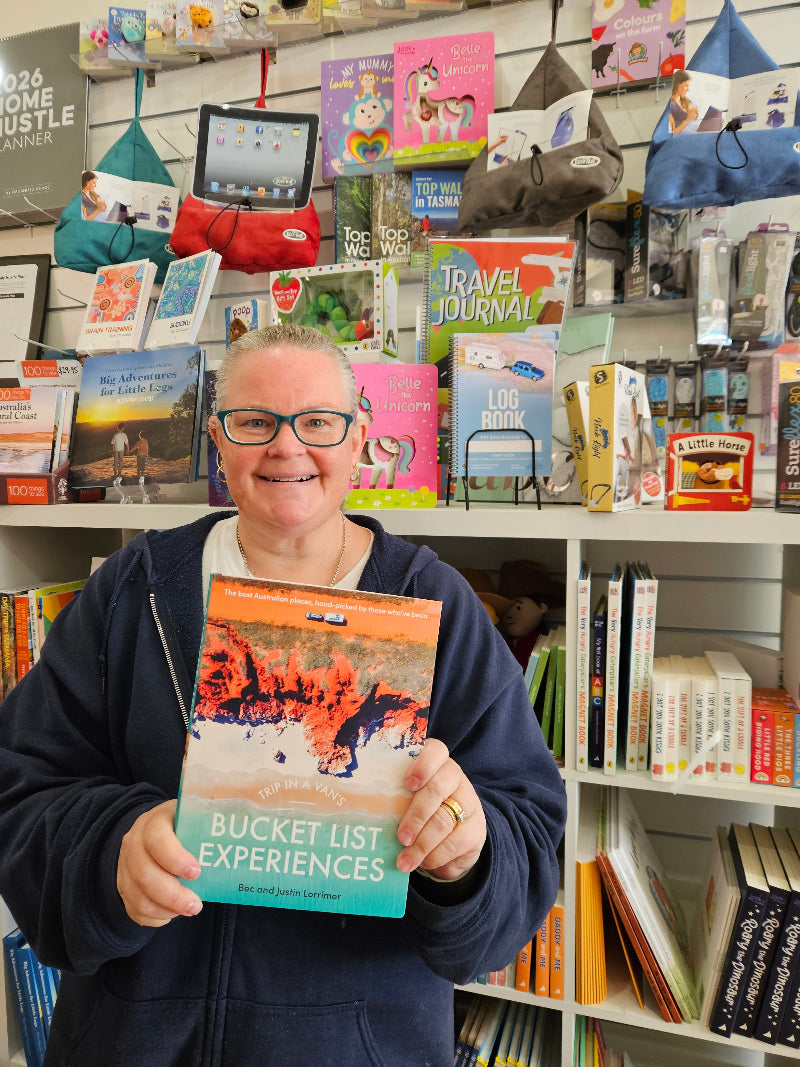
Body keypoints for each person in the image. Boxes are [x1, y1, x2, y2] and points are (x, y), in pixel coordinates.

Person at [0, 324, 566, 1066]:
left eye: (318, 422)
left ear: (360, 437)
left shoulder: (436, 603)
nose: (287, 447)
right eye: (254, 421)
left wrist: (468, 854)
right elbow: (21, 785)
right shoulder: (134, 588)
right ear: (216, 438)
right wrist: (112, 849)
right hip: (131, 1041)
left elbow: (529, 832)